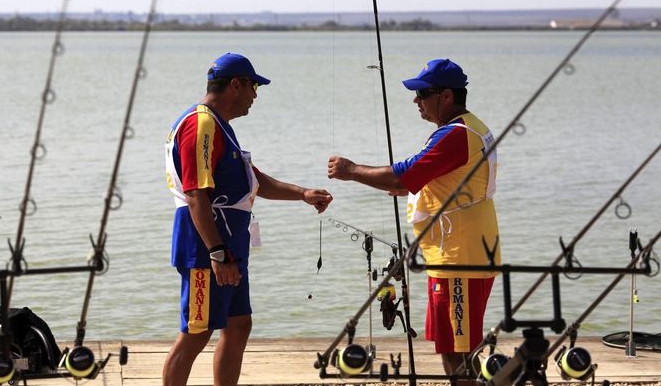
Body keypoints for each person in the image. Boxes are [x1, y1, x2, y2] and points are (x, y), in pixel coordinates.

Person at [163, 52, 333, 386]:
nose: (255, 95)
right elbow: (196, 194)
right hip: (206, 249)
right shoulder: (202, 124)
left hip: (230, 247)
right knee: (197, 332)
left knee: (239, 324)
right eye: (254, 87)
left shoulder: (221, 127)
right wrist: (217, 253)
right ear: (236, 85)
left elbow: (252, 179)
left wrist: (302, 193)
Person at [327, 58, 500, 377]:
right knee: (456, 346)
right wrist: (414, 189)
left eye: (422, 93)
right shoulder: (472, 127)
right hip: (464, 251)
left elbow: (401, 176)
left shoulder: (455, 135)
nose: (416, 100)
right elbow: (449, 179)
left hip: (459, 258)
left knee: (456, 352)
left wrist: (350, 171)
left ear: (446, 96)